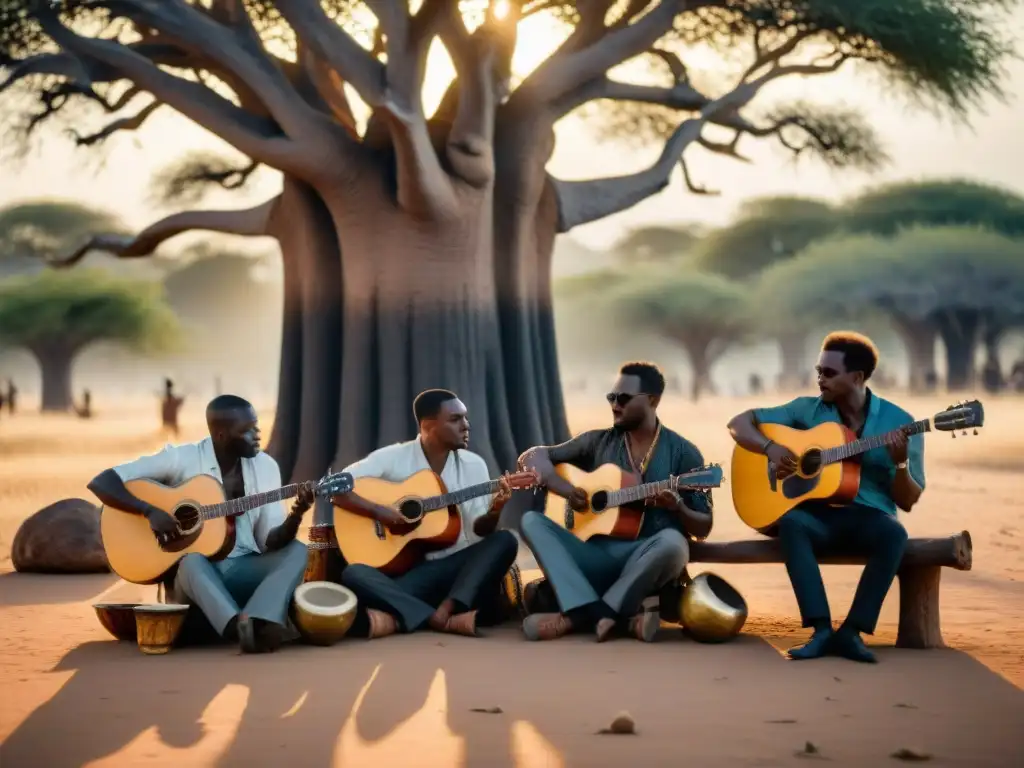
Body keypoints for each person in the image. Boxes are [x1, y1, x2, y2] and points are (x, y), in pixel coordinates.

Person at [726, 331, 923, 663]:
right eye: (818, 371)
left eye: (828, 373)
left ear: (857, 377)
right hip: (816, 515)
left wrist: (900, 462)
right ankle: (820, 630)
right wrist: (770, 448)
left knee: (895, 533)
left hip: (869, 516)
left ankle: (852, 632)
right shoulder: (806, 410)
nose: (819, 379)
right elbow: (738, 423)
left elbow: (908, 500)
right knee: (792, 523)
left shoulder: (899, 423)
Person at [86, 394, 314, 653]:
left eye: (256, 425)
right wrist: (150, 511)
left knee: (297, 550)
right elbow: (102, 482)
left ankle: (257, 621)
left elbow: (270, 541)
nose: (258, 434)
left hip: (245, 568)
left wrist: (296, 515)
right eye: (247, 430)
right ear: (221, 436)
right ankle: (237, 625)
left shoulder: (265, 466)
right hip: (196, 581)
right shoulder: (182, 459)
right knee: (191, 560)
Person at [517, 361, 713, 643]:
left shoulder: (684, 453)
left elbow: (704, 526)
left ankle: (581, 614)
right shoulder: (597, 442)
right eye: (612, 397)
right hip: (593, 556)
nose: (615, 405)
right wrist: (566, 490)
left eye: (623, 398)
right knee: (531, 521)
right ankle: (615, 617)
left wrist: (678, 508)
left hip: (644, 560)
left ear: (653, 400)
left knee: (673, 543)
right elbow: (532, 456)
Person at [334, 389, 520, 639]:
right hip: (414, 574)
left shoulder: (474, 464)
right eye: (455, 419)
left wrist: (496, 509)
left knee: (505, 540)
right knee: (354, 573)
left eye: (465, 418)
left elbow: (480, 530)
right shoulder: (394, 458)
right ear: (428, 425)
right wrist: (381, 512)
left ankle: (435, 611)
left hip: (459, 571)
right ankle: (436, 619)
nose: (466, 426)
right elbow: (337, 488)